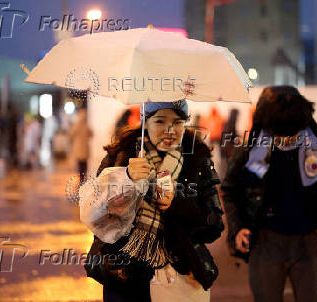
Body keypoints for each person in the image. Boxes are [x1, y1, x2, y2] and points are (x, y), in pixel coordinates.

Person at [221, 86, 317, 302]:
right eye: (280, 136)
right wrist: (238, 228)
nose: (288, 141)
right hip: (265, 243)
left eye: (293, 135)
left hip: (306, 244)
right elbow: (230, 190)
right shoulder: (251, 152)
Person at [80, 100, 224, 302]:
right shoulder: (121, 155)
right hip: (124, 273)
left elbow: (214, 226)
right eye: (160, 121)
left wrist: (177, 203)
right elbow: (97, 216)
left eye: (178, 122)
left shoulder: (197, 158)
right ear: (145, 122)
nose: (170, 130)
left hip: (179, 275)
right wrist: (126, 179)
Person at [69, 108, 92, 183]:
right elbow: (91, 134)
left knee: (80, 164)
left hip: (78, 148)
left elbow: (71, 135)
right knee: (84, 164)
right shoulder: (86, 125)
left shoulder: (76, 125)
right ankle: (83, 178)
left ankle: (81, 178)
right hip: (85, 148)